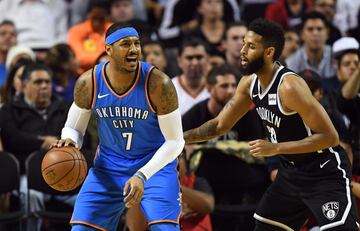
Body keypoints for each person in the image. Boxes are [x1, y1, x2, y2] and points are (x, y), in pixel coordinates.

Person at [183, 18, 359, 230]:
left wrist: (276, 148)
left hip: (323, 171)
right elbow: (220, 125)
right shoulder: (249, 83)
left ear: (269, 52)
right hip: (291, 173)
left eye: (250, 46)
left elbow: (329, 138)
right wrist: (180, 137)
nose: (242, 51)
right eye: (243, 44)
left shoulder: (289, 87)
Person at [52, 23, 185, 231]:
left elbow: (176, 142)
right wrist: (71, 140)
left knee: (165, 229)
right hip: (109, 166)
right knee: (81, 228)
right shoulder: (89, 82)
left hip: (154, 167)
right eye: (125, 44)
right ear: (108, 50)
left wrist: (142, 175)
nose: (134, 50)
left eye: (137, 44)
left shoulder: (159, 83)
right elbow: (74, 128)